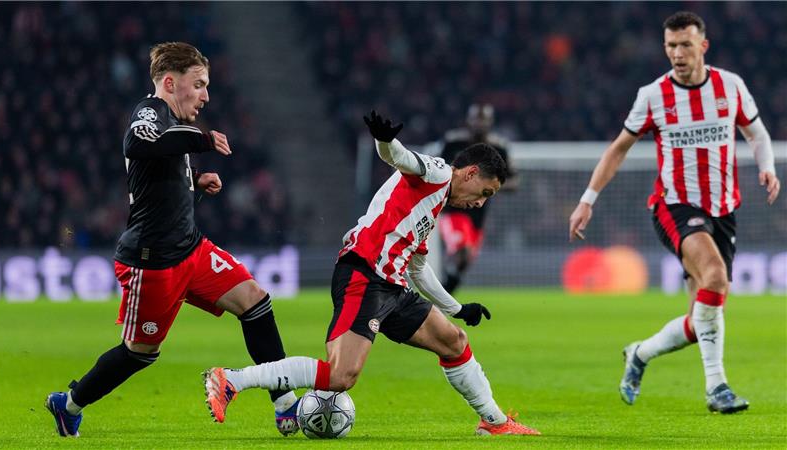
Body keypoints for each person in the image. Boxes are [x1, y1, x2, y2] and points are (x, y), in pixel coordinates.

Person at [203, 111, 540, 436]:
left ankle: (494, 421)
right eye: (485, 193)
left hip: (391, 287)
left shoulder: (432, 203)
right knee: (341, 376)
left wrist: (457, 308)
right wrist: (384, 141)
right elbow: (401, 158)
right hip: (364, 276)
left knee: (454, 342)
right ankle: (232, 380)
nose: (481, 203)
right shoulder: (438, 173)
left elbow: (418, 269)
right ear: (471, 172)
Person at [45, 42, 299, 437]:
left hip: (191, 249)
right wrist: (202, 140)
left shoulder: (172, 124)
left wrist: (195, 181)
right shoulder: (150, 112)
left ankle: (285, 405)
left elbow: (157, 175)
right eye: (198, 85)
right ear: (169, 82)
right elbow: (138, 143)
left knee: (255, 301)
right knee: (139, 353)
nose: (205, 96)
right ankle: (69, 404)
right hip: (152, 261)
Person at [568, 12, 780, 414]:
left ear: (703, 46)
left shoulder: (730, 86)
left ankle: (639, 353)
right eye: (670, 46)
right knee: (715, 276)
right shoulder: (654, 95)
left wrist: (766, 166)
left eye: (685, 45)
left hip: (723, 210)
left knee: (701, 320)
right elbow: (618, 149)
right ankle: (717, 388)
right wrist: (587, 199)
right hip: (675, 205)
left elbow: (757, 133)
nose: (677, 54)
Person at [438, 104, 514, 293]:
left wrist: (486, 186)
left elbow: (513, 181)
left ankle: (442, 294)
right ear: (468, 120)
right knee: (461, 253)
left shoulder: (499, 148)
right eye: (476, 119)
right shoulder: (453, 143)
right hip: (453, 210)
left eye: (484, 119)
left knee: (464, 262)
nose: (480, 124)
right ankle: (440, 297)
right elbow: (439, 170)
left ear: (491, 122)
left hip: (478, 215)